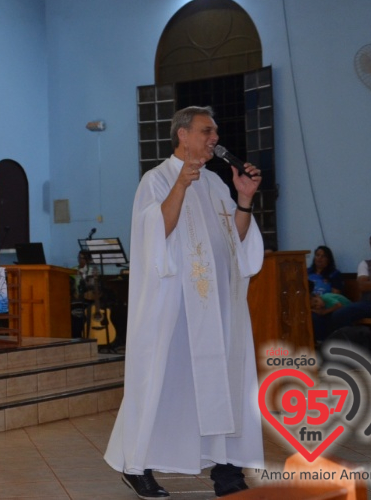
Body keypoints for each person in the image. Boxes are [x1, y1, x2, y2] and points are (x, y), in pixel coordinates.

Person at [105, 106, 265, 499]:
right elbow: (154, 234)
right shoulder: (156, 179)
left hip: (217, 305)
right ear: (183, 134)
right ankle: (136, 465)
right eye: (206, 131)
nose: (214, 138)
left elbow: (237, 241)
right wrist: (180, 184)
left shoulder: (213, 183)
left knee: (223, 384)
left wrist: (243, 200)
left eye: (214, 131)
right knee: (160, 382)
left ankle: (226, 471)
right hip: (172, 306)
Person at [307, 245, 344, 341]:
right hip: (308, 304)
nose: (319, 258)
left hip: (326, 305)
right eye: (317, 255)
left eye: (323, 256)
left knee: (314, 317)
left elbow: (336, 296)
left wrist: (320, 304)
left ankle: (320, 342)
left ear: (328, 259)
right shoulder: (307, 273)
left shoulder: (334, 274)